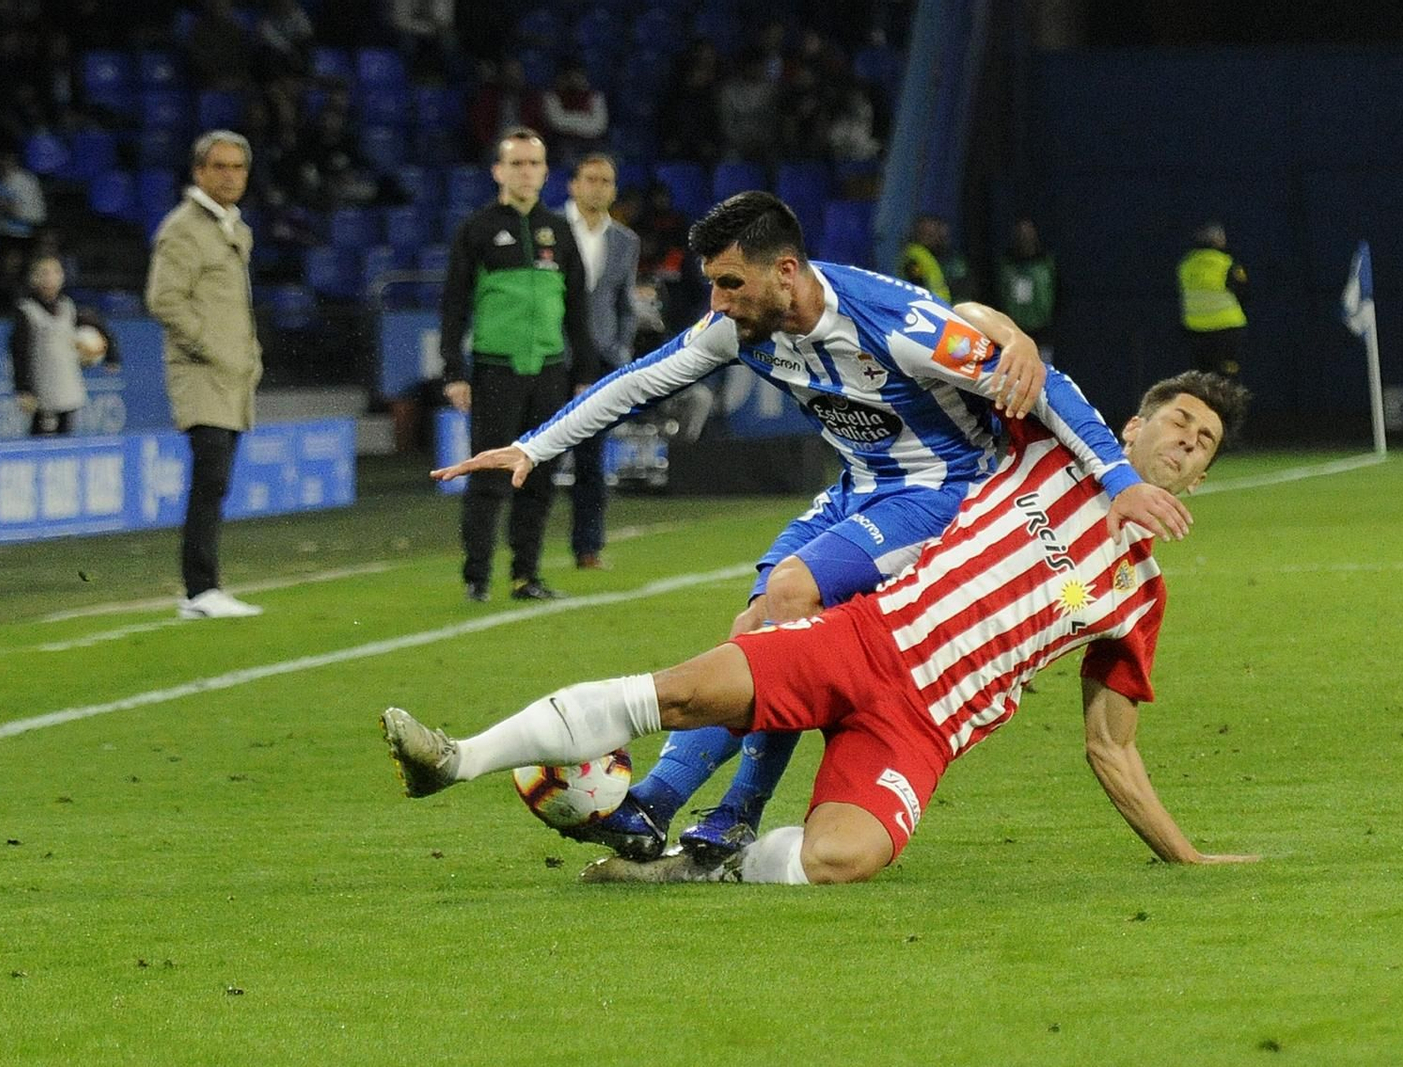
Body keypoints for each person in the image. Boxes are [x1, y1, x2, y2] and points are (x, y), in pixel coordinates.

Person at [383, 369, 1257, 885]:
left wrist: (1185, 856)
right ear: (1132, 427)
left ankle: (714, 859)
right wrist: (1012, 343)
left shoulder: (1139, 597)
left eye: (1205, 442)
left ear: (1201, 480)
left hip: (921, 728)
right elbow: (977, 336)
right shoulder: (1046, 447)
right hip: (863, 639)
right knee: (681, 692)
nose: (1188, 441)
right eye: (1178, 421)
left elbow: (1112, 746)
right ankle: (453, 759)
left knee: (839, 861)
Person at [432, 191, 1060, 863]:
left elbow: (998, 350)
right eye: (714, 284)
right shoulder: (743, 326)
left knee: (787, 607)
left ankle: (736, 811)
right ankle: (658, 805)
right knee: (756, 626)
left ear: (783, 271)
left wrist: (1112, 479)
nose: (718, 301)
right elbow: (637, 381)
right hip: (859, 489)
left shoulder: (877, 314)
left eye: (730, 283)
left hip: (940, 500)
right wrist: (533, 447)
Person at [439, 127, 597, 603]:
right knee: (489, 477)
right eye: (517, 164)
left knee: (541, 479)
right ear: (498, 171)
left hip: (550, 371)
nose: (526, 172)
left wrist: (583, 374)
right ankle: (477, 578)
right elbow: (454, 305)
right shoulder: (477, 230)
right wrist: (454, 371)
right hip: (496, 370)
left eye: (534, 164)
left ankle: (525, 576)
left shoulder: (560, 231)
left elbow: (578, 309)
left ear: (546, 172)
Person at [145, 130, 265, 621]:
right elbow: (164, 299)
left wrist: (248, 354)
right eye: (220, 166)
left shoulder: (233, 227)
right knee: (209, 479)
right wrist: (214, 348)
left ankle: (205, 587)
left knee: (215, 482)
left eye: (238, 167)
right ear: (199, 172)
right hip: (201, 373)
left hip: (231, 375)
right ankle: (200, 589)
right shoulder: (183, 229)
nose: (230, 176)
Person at [562, 154, 640, 570]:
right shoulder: (552, 231)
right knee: (540, 454)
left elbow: (625, 303)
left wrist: (620, 349)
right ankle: (524, 554)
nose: (598, 187)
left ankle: (588, 547)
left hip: (601, 362)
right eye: (590, 179)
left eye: (606, 181)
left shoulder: (625, 241)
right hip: (553, 356)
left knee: (591, 458)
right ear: (573, 185)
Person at [10, 255, 120, 436]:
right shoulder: (27, 311)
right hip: (42, 390)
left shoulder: (68, 306)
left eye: (56, 272)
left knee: (66, 435)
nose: (50, 278)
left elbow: (97, 325)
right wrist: (23, 389)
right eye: (44, 273)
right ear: (34, 278)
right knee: (42, 437)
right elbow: (19, 352)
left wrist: (112, 355)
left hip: (67, 387)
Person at [1178, 222, 1247, 378]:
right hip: (1227, 327)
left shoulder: (1185, 264)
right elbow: (1243, 291)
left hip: (1196, 328)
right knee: (1228, 375)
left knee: (1204, 376)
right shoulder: (1227, 263)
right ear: (1217, 241)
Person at [997, 218, 1057, 364]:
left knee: (1043, 369)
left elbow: (1058, 293)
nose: (1025, 237)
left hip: (1042, 330)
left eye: (1028, 232)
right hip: (1014, 330)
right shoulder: (1006, 264)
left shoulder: (1046, 262)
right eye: (1021, 232)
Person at [898, 213, 968, 304]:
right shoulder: (915, 255)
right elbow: (916, 286)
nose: (936, 236)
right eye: (928, 234)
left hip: (945, 305)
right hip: (926, 306)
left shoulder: (948, 257)